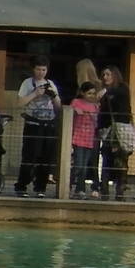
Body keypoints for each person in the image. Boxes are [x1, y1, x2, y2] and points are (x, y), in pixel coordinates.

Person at [14, 56, 61, 197]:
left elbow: (59, 107)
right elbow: (19, 103)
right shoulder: (27, 83)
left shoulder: (51, 83)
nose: (41, 72)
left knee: (46, 158)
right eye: (38, 69)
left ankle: (40, 188)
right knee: (30, 156)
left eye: (44, 69)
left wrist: (53, 96)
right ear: (33, 69)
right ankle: (22, 186)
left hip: (49, 124)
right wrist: (35, 93)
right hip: (33, 124)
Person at [99, 64, 134, 200]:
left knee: (121, 160)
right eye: (104, 75)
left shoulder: (121, 88)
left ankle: (120, 191)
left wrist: (107, 92)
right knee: (107, 159)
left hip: (121, 129)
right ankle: (105, 191)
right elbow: (102, 113)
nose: (105, 77)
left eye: (108, 74)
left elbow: (123, 103)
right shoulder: (104, 92)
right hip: (107, 130)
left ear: (114, 75)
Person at [68, 82, 101, 198]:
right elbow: (69, 113)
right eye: (89, 93)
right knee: (78, 165)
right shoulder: (76, 102)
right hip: (78, 137)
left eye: (93, 93)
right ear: (82, 93)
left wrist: (94, 116)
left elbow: (97, 123)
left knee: (85, 166)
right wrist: (75, 110)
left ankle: (80, 189)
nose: (91, 96)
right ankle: (68, 184)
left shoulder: (96, 106)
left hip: (89, 138)